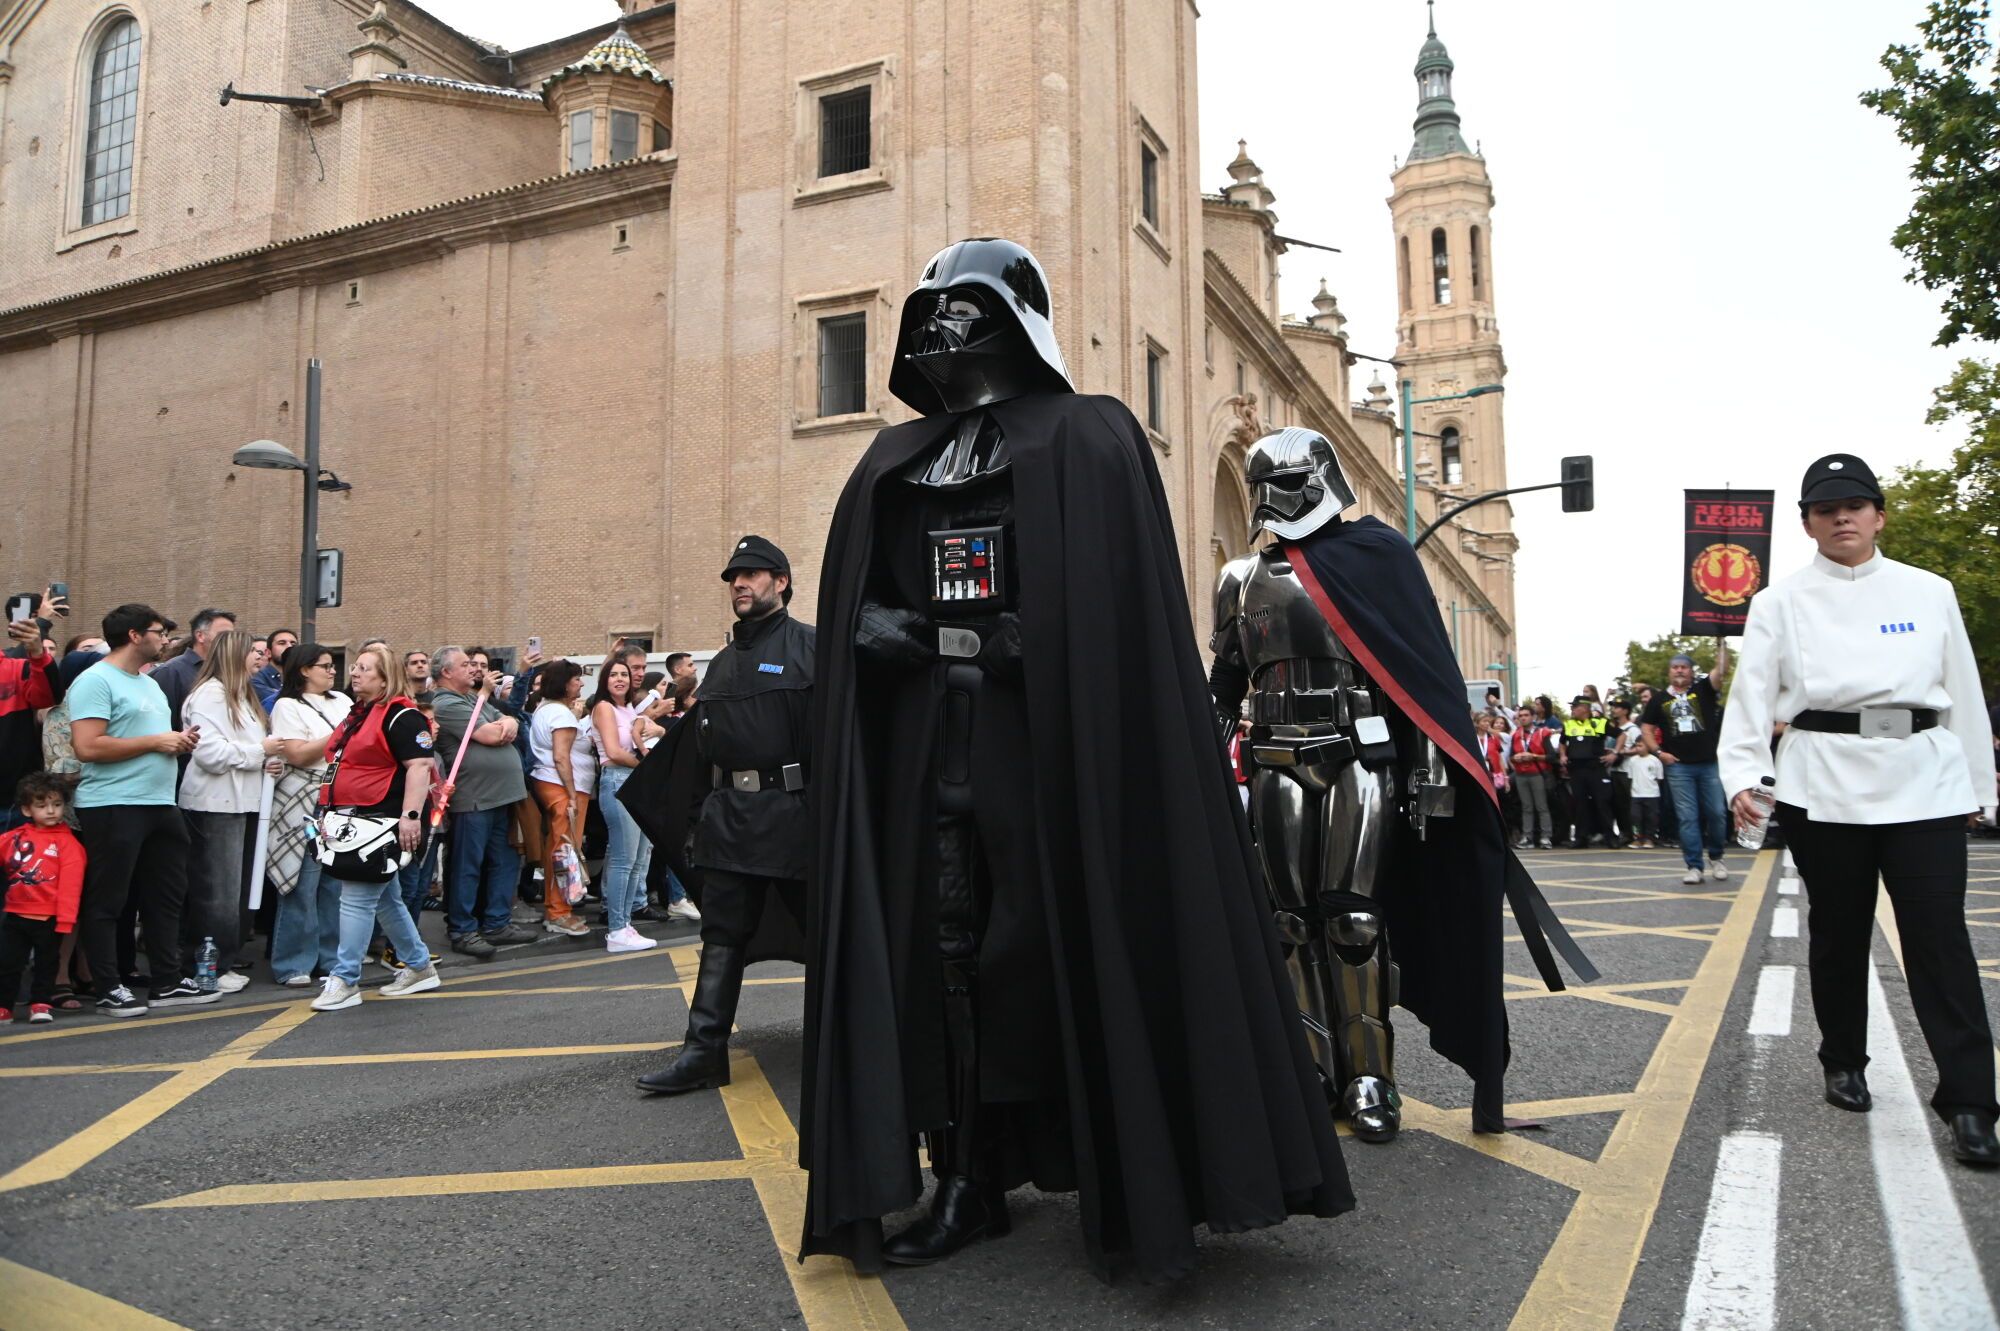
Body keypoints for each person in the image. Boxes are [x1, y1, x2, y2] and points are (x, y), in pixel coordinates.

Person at [804, 240, 1355, 1279]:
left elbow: (1115, 612)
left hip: (1053, 756)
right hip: (929, 753)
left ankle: (1126, 1168)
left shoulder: (1091, 435)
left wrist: (1034, 634)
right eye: (934, 308)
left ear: (1015, 317)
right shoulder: (889, 460)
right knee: (946, 954)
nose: (946, 328)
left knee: (1077, 942)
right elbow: (857, 606)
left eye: (968, 307)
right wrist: (882, 632)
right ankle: (967, 1169)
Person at [1719, 452, 1998, 1167]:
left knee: (1939, 939)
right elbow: (1752, 696)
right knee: (1839, 932)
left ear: (1878, 514)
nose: (1842, 517)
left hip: (1924, 780)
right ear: (1808, 522)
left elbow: (1961, 687)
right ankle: (1842, 1056)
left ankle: (1971, 1101)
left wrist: (1979, 785)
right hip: (1824, 781)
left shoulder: (1929, 590)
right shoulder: (1779, 601)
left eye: (1855, 505)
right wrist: (1746, 775)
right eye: (1825, 508)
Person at [634, 536, 813, 1096]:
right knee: (721, 938)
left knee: (832, 940)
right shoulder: (721, 665)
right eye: (734, 575)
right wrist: (691, 823)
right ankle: (704, 1052)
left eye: (754, 573)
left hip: (797, 821)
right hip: (729, 821)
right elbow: (698, 751)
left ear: (780, 582)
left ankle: (852, 1051)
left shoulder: (812, 647)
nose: (740, 582)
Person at [70, 604, 215, 1016]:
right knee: (109, 900)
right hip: (114, 804)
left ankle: (167, 980)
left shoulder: (148, 683)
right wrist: (156, 742)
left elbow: (148, 737)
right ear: (135, 635)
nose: (165, 639)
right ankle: (107, 985)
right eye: (159, 632)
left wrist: (177, 740)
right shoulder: (95, 680)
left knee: (166, 896)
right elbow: (87, 746)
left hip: (159, 803)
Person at [310, 644, 441, 1011]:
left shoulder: (402, 716)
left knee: (356, 896)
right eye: (355, 667)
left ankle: (345, 978)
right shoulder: (361, 713)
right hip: (357, 818)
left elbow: (420, 766)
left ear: (385, 678)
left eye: (365, 669)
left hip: (381, 820)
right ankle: (418, 966)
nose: (354, 673)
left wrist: (411, 818)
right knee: (384, 897)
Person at [179, 630, 284, 993]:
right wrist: (259, 753)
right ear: (233, 655)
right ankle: (208, 962)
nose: (261, 658)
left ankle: (223, 958)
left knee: (237, 891)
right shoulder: (209, 695)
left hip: (245, 802)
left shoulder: (243, 696)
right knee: (218, 891)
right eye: (253, 652)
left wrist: (266, 761)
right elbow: (209, 754)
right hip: (215, 804)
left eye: (262, 653)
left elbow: (251, 750)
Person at [430, 647, 536, 958]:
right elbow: (491, 734)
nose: (473, 669)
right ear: (447, 672)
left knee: (503, 861)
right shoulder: (445, 702)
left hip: (499, 795)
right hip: (473, 798)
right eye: (465, 665)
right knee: (468, 865)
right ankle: (462, 928)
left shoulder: (471, 699)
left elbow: (505, 720)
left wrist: (506, 722)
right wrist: (502, 725)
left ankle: (497, 922)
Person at [267, 644, 350, 987]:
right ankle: (293, 963)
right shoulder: (287, 706)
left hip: (340, 796)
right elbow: (298, 755)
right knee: (303, 881)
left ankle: (330, 960)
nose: (333, 672)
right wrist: (339, 736)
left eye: (333, 666)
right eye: (325, 666)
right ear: (303, 670)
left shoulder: (342, 701)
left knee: (335, 884)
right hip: (306, 798)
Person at [1641, 644, 1732, 885]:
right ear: (1669, 672)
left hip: (1709, 763)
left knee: (1717, 813)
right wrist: (1660, 753)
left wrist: (1721, 639)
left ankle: (1717, 857)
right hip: (1678, 767)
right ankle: (1694, 866)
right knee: (1688, 817)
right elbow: (1647, 729)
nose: (1679, 671)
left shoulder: (1704, 689)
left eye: (1684, 667)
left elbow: (1721, 670)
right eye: (1675, 667)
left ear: (1692, 672)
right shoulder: (1659, 699)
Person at [0, 772, 85, 1022]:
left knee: (47, 964)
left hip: (49, 917)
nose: (51, 811)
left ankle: (41, 1003)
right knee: (8, 964)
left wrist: (66, 921)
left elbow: (72, 886)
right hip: (15, 913)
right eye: (42, 805)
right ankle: (4, 1006)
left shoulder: (69, 845)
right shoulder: (13, 838)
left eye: (57, 805)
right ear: (27, 810)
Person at [586, 658, 656, 953]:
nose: (620, 679)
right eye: (613, 674)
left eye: (624, 675)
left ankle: (625, 924)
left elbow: (653, 729)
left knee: (638, 860)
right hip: (616, 779)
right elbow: (614, 752)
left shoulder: (628, 709)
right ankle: (616, 928)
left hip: (633, 781)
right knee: (623, 860)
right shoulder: (603, 707)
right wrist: (646, 764)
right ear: (604, 680)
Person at [526, 660, 593, 938]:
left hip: (550, 783)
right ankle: (557, 912)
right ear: (564, 683)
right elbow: (560, 757)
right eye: (576, 679)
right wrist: (570, 793)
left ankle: (558, 907)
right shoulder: (561, 715)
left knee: (558, 847)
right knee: (565, 850)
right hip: (563, 787)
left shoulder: (546, 709)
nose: (580, 684)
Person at [149, 608, 236, 733]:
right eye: (223, 635)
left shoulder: (226, 673)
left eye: (232, 635)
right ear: (200, 636)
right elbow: (162, 725)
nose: (230, 640)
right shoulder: (171, 672)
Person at [1559, 696, 1618, 849]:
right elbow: (1562, 743)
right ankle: (1581, 838)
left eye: (1574, 707)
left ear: (1584, 708)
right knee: (1580, 805)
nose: (1572, 710)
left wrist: (1614, 753)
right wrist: (1563, 755)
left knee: (1602, 802)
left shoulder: (1600, 722)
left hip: (1596, 768)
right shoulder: (1569, 724)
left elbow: (1621, 735)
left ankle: (1610, 837)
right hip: (1577, 769)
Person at [1508, 705, 1557, 848]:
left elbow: (1551, 757)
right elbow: (1511, 756)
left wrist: (1534, 756)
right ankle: (1527, 837)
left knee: (1542, 806)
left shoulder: (1542, 733)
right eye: (1520, 716)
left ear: (1533, 717)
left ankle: (1545, 837)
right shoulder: (1516, 734)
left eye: (1526, 715)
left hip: (1538, 774)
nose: (1523, 718)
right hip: (1521, 774)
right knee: (1526, 807)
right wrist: (1515, 758)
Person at [1606, 699, 1643, 846]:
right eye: (1613, 707)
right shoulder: (1612, 728)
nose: (1614, 710)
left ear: (1625, 711)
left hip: (1627, 771)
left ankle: (1634, 833)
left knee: (1629, 804)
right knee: (1617, 805)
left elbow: (1641, 746)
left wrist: (1623, 752)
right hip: (1613, 770)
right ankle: (1623, 832)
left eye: (1617, 707)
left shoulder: (1632, 729)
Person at [252, 628, 297, 713]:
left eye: (293, 643)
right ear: (268, 653)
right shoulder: (256, 679)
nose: (289, 646)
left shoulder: (301, 677)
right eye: (282, 643)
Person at [1628, 747, 1664, 849]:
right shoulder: (1633, 760)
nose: (1638, 748)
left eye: (1641, 746)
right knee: (1635, 816)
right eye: (1637, 746)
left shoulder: (1655, 760)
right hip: (1636, 794)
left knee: (1651, 817)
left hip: (1652, 794)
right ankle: (1637, 838)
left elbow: (1659, 778)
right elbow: (1630, 777)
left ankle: (1649, 838)